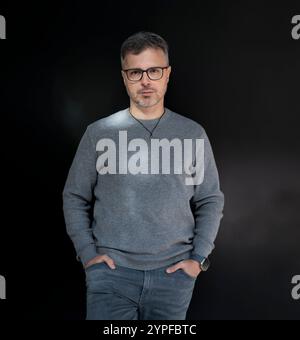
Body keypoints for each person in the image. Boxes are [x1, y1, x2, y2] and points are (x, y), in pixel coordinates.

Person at [62, 31, 224, 320]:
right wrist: (88, 254)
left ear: (167, 74)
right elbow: (74, 195)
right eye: (136, 72)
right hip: (111, 275)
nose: (146, 80)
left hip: (174, 276)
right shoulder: (98, 133)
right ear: (125, 77)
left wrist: (198, 258)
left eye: (154, 70)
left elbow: (210, 198)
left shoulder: (193, 134)